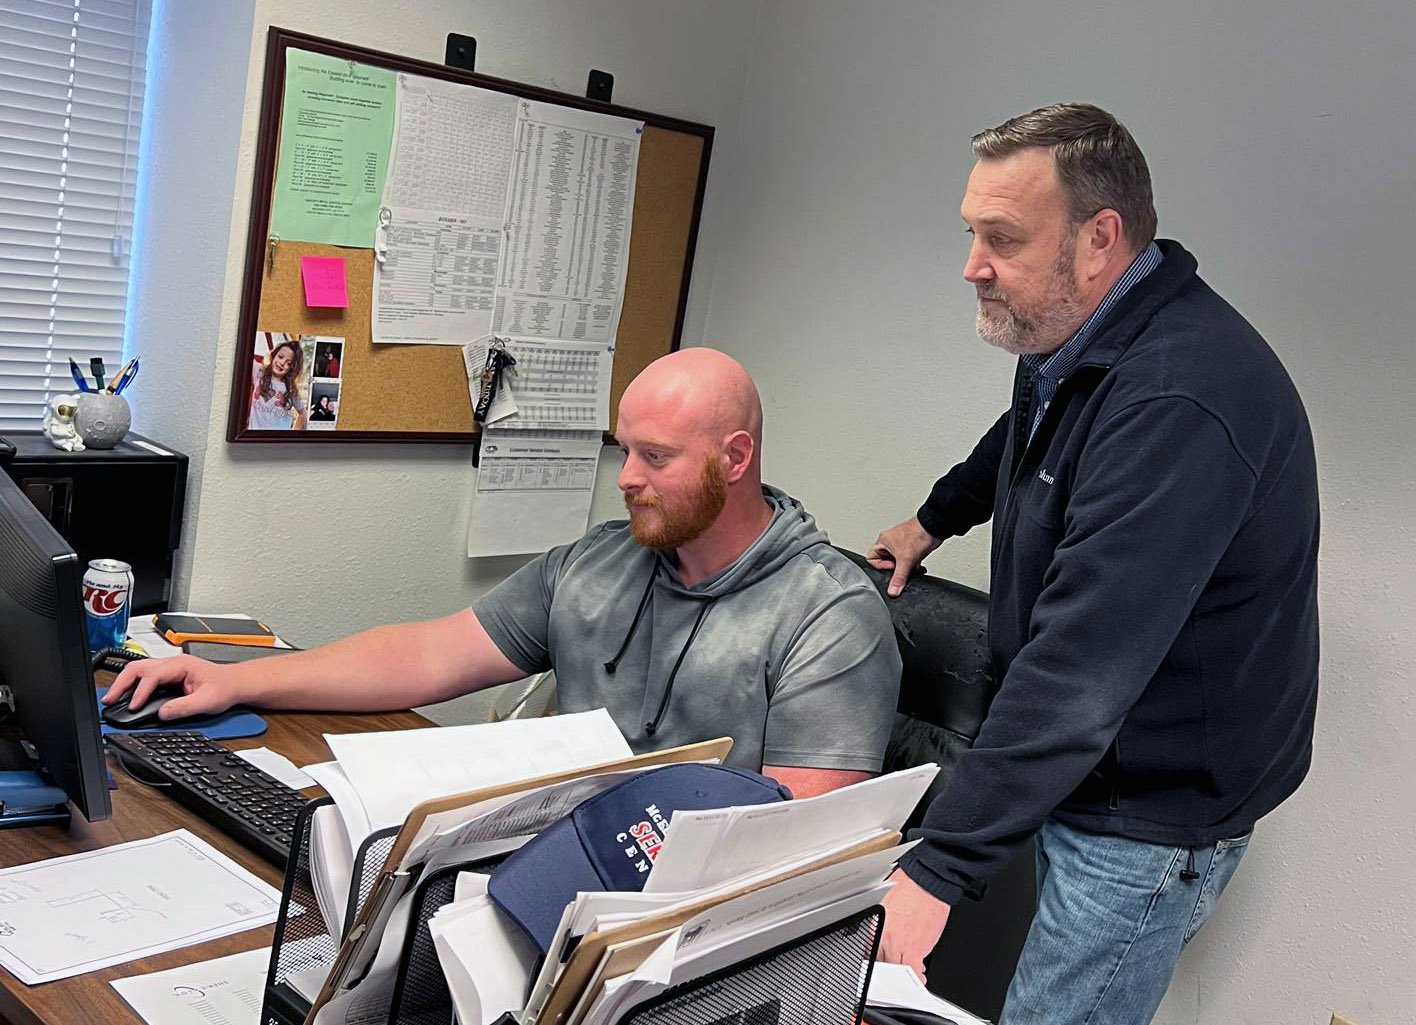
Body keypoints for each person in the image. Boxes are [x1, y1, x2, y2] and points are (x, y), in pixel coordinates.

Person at [867, 104, 1319, 1024]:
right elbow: (1027, 433)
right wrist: (933, 518)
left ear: (1099, 238)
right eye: (971, 232)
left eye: (1002, 238)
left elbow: (1079, 667)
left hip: (1150, 810)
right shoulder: (1078, 334)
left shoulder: (1179, 399)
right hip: (1088, 754)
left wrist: (939, 866)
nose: (972, 264)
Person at [109, 348, 902, 798]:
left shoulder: (828, 615)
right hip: (551, 864)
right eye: (624, 448)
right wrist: (238, 679)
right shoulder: (604, 558)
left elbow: (798, 844)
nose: (626, 477)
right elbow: (426, 655)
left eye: (655, 457)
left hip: (678, 932)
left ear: (735, 458)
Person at [249, 339, 308, 430]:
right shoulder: (259, 372)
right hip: (253, 438)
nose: (282, 363)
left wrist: (293, 433)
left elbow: (303, 414)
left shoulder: (291, 390)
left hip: (276, 442)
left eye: (289, 363)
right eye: (280, 357)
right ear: (274, 355)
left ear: (292, 368)